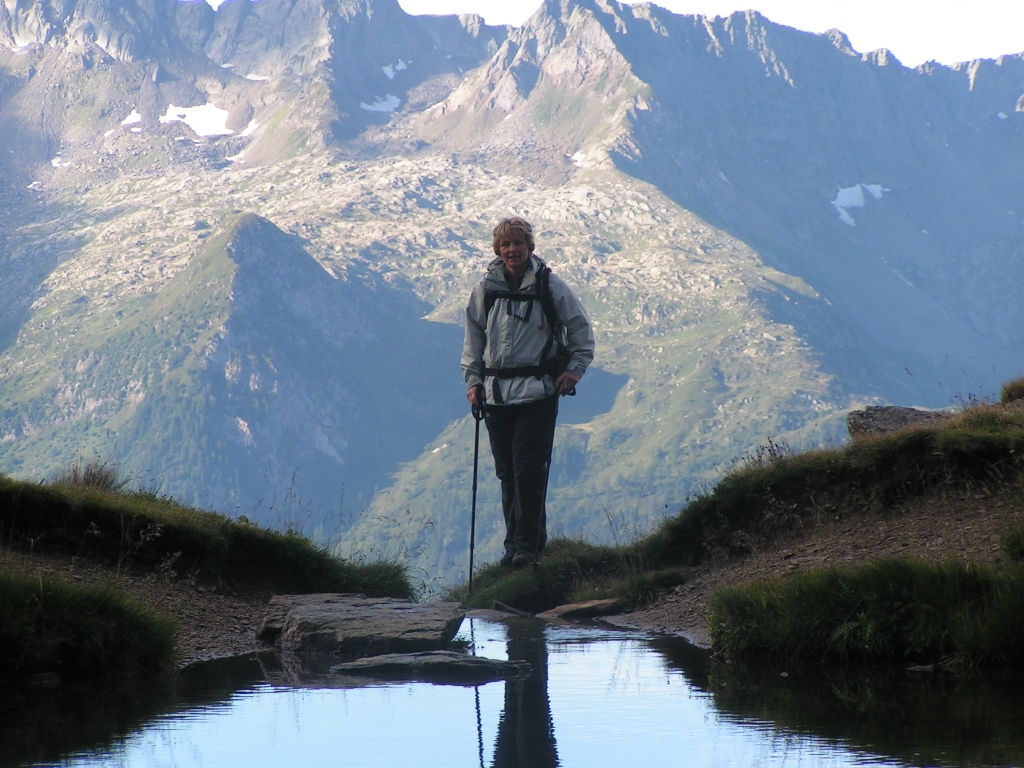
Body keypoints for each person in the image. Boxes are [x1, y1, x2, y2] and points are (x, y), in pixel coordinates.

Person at [462, 216, 595, 568]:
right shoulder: (486, 290)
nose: (511, 250)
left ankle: (528, 547)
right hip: (496, 395)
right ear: (498, 250)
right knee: (507, 471)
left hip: (537, 393)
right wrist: (473, 382)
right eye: (505, 244)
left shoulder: (549, 286)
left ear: (529, 247)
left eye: (518, 243)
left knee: (528, 470)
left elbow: (581, 332)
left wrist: (574, 371)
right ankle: (515, 547)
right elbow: (473, 341)